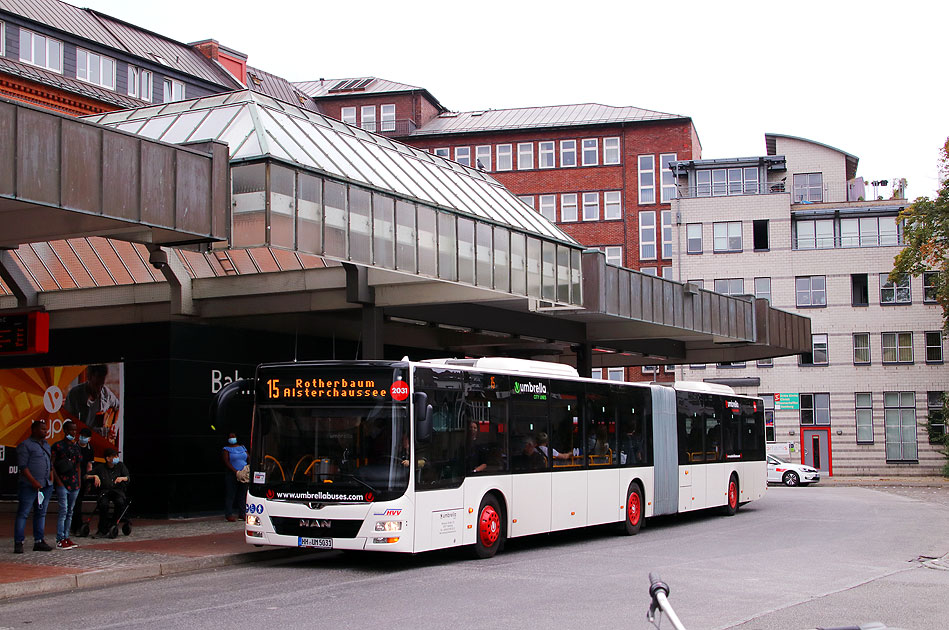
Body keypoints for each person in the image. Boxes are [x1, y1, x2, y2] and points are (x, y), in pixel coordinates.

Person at [14, 420, 54, 553]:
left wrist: (51, 477)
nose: (46, 431)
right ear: (35, 430)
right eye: (43, 429)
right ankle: (19, 542)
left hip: (45, 485)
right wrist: (33, 481)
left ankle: (39, 541)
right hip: (29, 486)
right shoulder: (25, 445)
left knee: (41, 513)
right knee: (23, 513)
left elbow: (50, 462)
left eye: (46, 429)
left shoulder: (46, 445)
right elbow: (23, 467)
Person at [64, 364, 119, 438]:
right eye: (96, 384)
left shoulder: (106, 393)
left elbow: (119, 407)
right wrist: (104, 432)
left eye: (101, 385)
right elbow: (69, 426)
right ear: (89, 377)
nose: (99, 390)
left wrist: (115, 424)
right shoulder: (74, 395)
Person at [51, 420, 83, 549]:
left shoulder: (76, 447)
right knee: (63, 511)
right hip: (62, 483)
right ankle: (60, 538)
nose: (73, 433)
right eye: (71, 430)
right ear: (65, 431)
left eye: (75, 430)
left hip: (74, 483)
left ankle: (66, 536)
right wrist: (57, 481)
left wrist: (79, 481)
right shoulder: (58, 446)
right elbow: (51, 464)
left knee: (70, 511)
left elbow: (78, 465)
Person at [86, 447, 130, 536]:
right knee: (103, 504)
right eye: (114, 456)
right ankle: (102, 528)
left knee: (120, 502)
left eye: (116, 456)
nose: (116, 457)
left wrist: (122, 478)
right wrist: (94, 476)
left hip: (117, 491)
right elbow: (86, 476)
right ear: (108, 458)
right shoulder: (101, 468)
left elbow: (128, 477)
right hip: (105, 491)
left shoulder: (120, 466)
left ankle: (113, 523)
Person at [70, 427, 95, 536]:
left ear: (89, 439)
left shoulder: (90, 449)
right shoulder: (74, 447)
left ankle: (77, 526)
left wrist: (89, 479)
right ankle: (75, 526)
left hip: (83, 477)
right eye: (81, 436)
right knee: (74, 503)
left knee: (78, 502)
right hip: (73, 477)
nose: (82, 438)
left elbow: (90, 465)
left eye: (85, 437)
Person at [222, 432, 248, 522]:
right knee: (231, 494)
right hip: (232, 474)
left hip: (243, 474)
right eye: (230, 437)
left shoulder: (242, 448)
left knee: (242, 495)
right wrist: (235, 471)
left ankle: (242, 513)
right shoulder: (226, 449)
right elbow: (227, 461)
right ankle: (229, 514)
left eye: (233, 436)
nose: (232, 438)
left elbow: (248, 457)